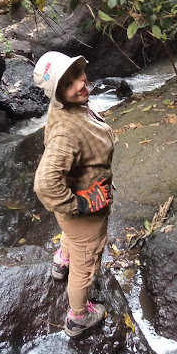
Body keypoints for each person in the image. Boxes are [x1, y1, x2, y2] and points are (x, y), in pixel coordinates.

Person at [33, 51, 115, 338]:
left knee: (73, 239)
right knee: (85, 261)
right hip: (84, 212)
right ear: (58, 94)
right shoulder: (67, 132)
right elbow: (45, 183)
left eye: (77, 74)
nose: (80, 84)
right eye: (68, 84)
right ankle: (78, 317)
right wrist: (79, 203)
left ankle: (62, 259)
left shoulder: (66, 109)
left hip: (69, 212)